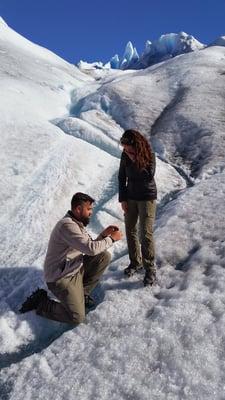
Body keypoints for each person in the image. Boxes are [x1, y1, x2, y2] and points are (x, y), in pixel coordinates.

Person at [20, 192, 123, 324]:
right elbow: (90, 249)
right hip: (61, 278)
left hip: (74, 268)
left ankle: (82, 294)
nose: (91, 212)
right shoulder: (67, 225)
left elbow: (89, 246)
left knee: (103, 256)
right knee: (76, 317)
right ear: (78, 209)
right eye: (89, 209)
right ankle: (41, 303)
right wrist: (112, 238)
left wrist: (104, 235)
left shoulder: (76, 224)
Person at [118, 129, 157, 286]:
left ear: (137, 145)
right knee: (130, 230)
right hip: (130, 197)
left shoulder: (149, 154)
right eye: (124, 148)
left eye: (129, 148)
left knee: (145, 233)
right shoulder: (125, 155)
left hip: (147, 197)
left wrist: (134, 158)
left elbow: (148, 175)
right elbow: (121, 177)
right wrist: (123, 199)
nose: (126, 151)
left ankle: (150, 268)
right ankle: (135, 263)